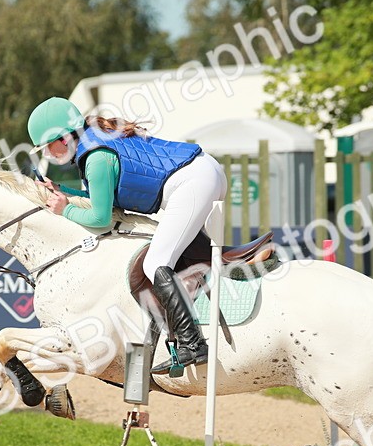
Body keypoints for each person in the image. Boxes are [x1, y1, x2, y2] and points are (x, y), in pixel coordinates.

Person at [27, 96, 227, 374]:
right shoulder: (95, 143)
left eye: (48, 146)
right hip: (203, 173)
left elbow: (100, 217)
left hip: (195, 182)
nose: (48, 153)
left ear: (63, 138)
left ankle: (193, 343)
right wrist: (64, 192)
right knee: (179, 255)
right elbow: (101, 198)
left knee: (155, 262)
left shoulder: (96, 156)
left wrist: (64, 211)